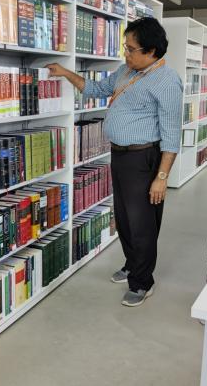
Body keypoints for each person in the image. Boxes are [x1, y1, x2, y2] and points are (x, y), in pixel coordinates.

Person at [47, 17, 182, 307]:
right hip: (119, 155)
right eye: (125, 47)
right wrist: (65, 72)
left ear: (151, 51)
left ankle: (143, 282)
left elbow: (172, 135)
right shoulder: (125, 71)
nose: (126, 53)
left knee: (142, 223)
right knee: (123, 218)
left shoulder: (167, 81)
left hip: (144, 158)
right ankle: (132, 265)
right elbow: (96, 90)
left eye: (131, 49)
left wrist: (161, 177)